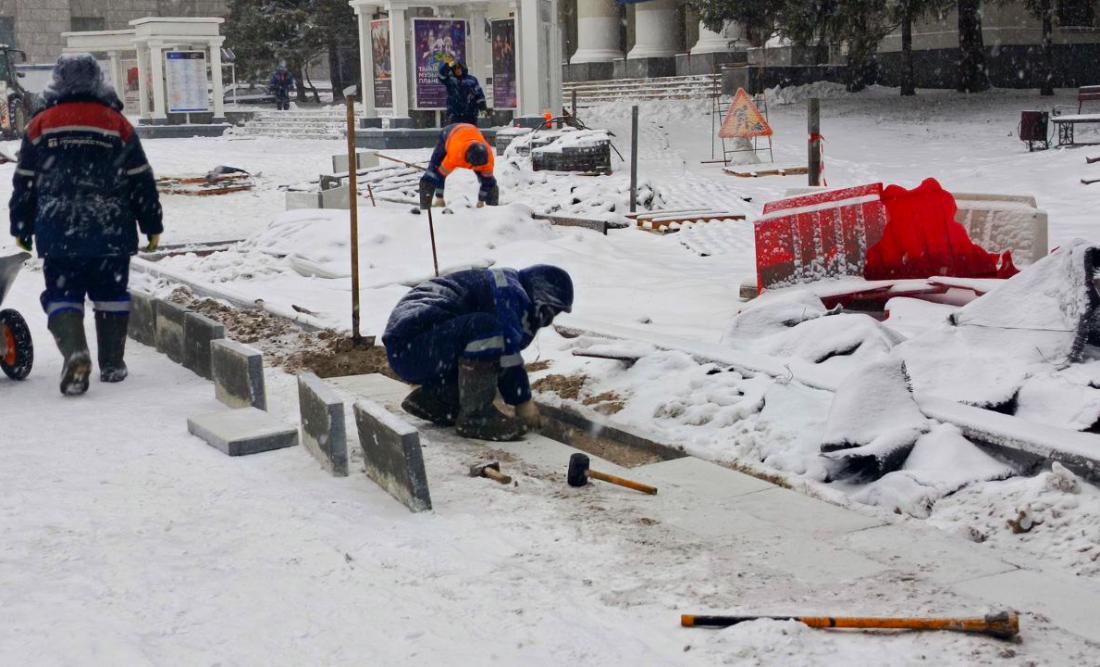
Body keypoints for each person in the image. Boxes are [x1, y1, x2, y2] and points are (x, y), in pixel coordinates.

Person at [8, 54, 163, 396]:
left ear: (57, 81)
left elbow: (26, 181)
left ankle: (75, 352)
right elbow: (140, 178)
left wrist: (21, 225)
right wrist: (151, 223)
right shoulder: (115, 123)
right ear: (99, 80)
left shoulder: (41, 124)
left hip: (58, 226)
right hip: (111, 226)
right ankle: (112, 364)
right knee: (111, 294)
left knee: (63, 293)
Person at [383, 265, 574, 441]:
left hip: (411, 349)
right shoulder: (507, 290)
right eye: (552, 312)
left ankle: (437, 400)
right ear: (542, 298)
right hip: (415, 344)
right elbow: (507, 348)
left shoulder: (502, 284)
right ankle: (477, 418)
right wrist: (522, 401)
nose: (548, 320)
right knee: (487, 329)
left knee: (480, 341)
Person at [418, 122, 499, 211]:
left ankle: (492, 211)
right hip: (450, 132)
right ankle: (425, 209)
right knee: (433, 172)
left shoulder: (488, 160)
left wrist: (481, 200)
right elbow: (440, 175)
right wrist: (439, 198)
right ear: (468, 160)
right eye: (474, 166)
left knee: (491, 184)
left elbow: (487, 182)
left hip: (471, 131)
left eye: (479, 166)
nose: (475, 168)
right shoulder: (455, 155)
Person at [438, 59, 487, 126]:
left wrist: (482, 107)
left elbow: (479, 94)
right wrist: (447, 65)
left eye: (459, 68)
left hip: (470, 114)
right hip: (454, 115)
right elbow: (441, 76)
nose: (457, 70)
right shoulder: (450, 80)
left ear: (463, 68)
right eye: (455, 69)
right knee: (456, 133)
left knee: (470, 134)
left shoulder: (472, 80)